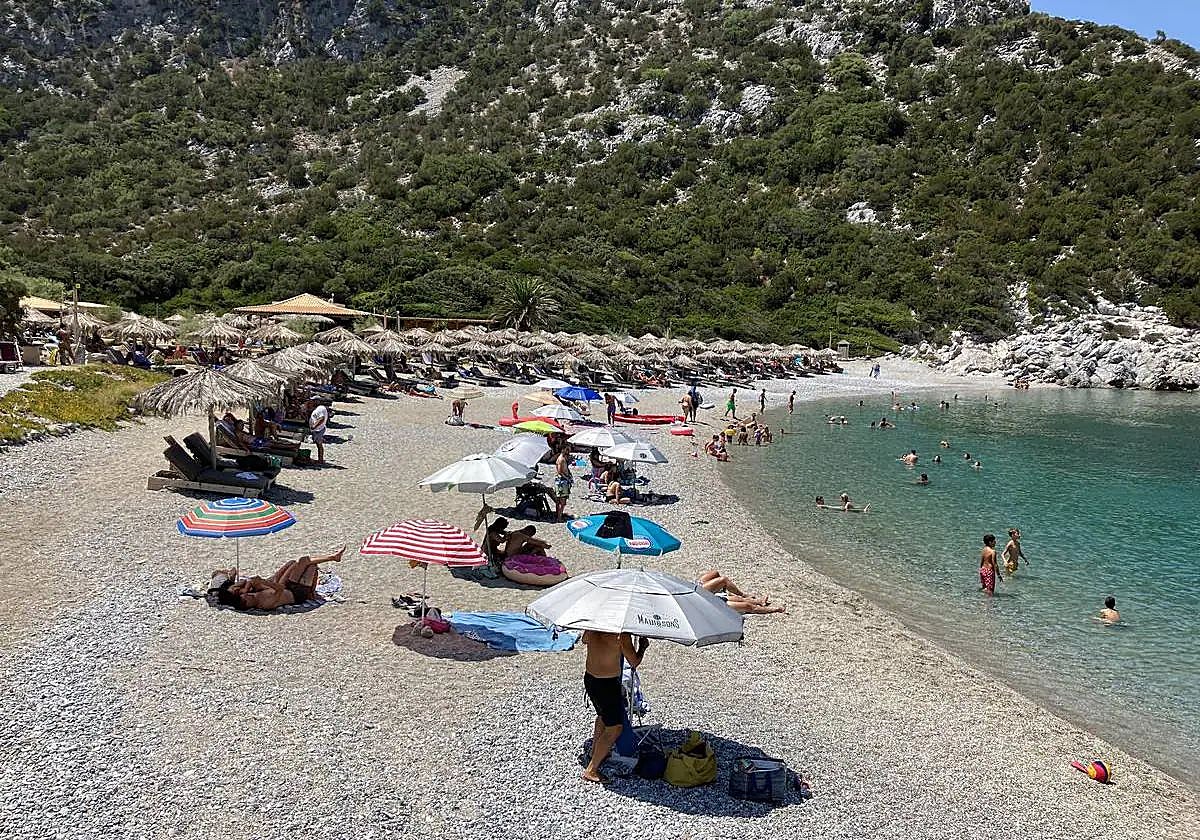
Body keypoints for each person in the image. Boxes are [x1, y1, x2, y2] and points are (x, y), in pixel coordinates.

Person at [580, 630, 649, 783]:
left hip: (590, 678)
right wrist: (643, 647)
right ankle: (591, 769)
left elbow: (585, 640)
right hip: (607, 684)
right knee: (615, 728)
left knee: (603, 716)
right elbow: (634, 662)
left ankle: (594, 753)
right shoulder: (621, 635)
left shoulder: (593, 627)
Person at [211, 546, 344, 610]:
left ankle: (332, 560)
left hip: (288, 588)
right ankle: (332, 559)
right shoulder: (265, 603)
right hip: (297, 594)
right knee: (310, 565)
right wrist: (261, 582)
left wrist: (256, 583)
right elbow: (279, 588)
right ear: (245, 603)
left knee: (300, 562)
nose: (247, 595)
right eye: (245, 597)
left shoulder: (252, 597)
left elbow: (272, 586)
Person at [698, 570, 785, 615]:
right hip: (703, 601)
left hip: (696, 592)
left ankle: (759, 602)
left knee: (737, 599)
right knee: (747, 606)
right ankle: (774, 609)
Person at [552, 446, 573, 521]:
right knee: (562, 501)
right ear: (563, 450)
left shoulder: (562, 458)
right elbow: (560, 471)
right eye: (567, 449)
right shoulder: (561, 459)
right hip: (562, 481)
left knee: (559, 500)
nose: (568, 451)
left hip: (561, 480)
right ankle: (559, 518)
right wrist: (567, 478)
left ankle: (558, 515)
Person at [306, 398, 328, 464]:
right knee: (319, 445)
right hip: (318, 429)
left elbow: (322, 418)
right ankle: (320, 459)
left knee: (319, 445)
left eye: (312, 401)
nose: (311, 402)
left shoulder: (319, 409)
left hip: (318, 430)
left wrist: (314, 426)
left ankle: (320, 460)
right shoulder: (319, 409)